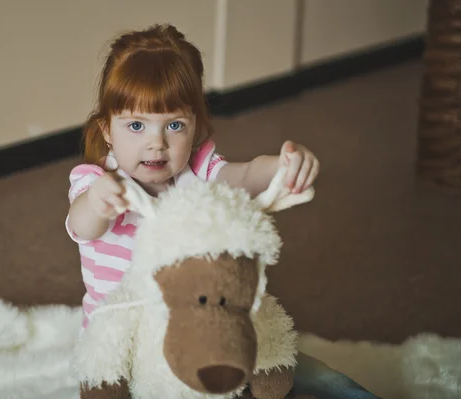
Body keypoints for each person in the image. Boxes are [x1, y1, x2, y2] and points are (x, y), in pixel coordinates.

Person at [66, 23, 379, 399]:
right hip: (130, 349)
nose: (157, 144)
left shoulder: (199, 172)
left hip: (209, 334)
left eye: (175, 125)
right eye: (136, 125)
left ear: (196, 127)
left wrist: (283, 165)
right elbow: (83, 225)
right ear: (106, 130)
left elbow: (245, 176)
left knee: (317, 379)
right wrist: (99, 201)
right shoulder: (95, 182)